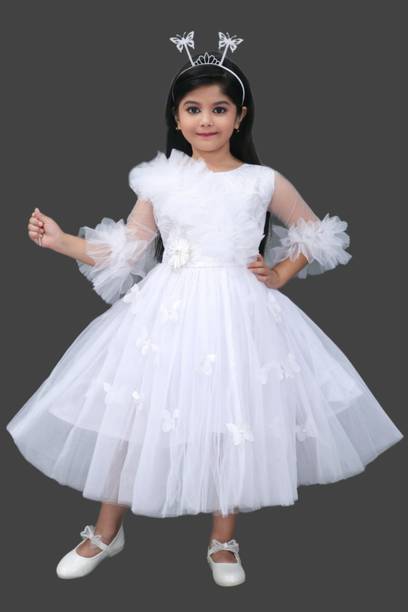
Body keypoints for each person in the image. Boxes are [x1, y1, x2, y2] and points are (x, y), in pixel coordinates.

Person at [6, 31, 404, 587]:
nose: (206, 120)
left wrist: (280, 274)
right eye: (193, 108)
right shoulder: (160, 181)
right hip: (165, 313)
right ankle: (107, 531)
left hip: (240, 316)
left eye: (219, 108)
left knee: (231, 418)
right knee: (134, 415)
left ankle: (222, 540)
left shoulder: (262, 181)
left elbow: (318, 232)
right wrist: (61, 241)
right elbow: (126, 250)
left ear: (240, 117)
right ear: (177, 116)